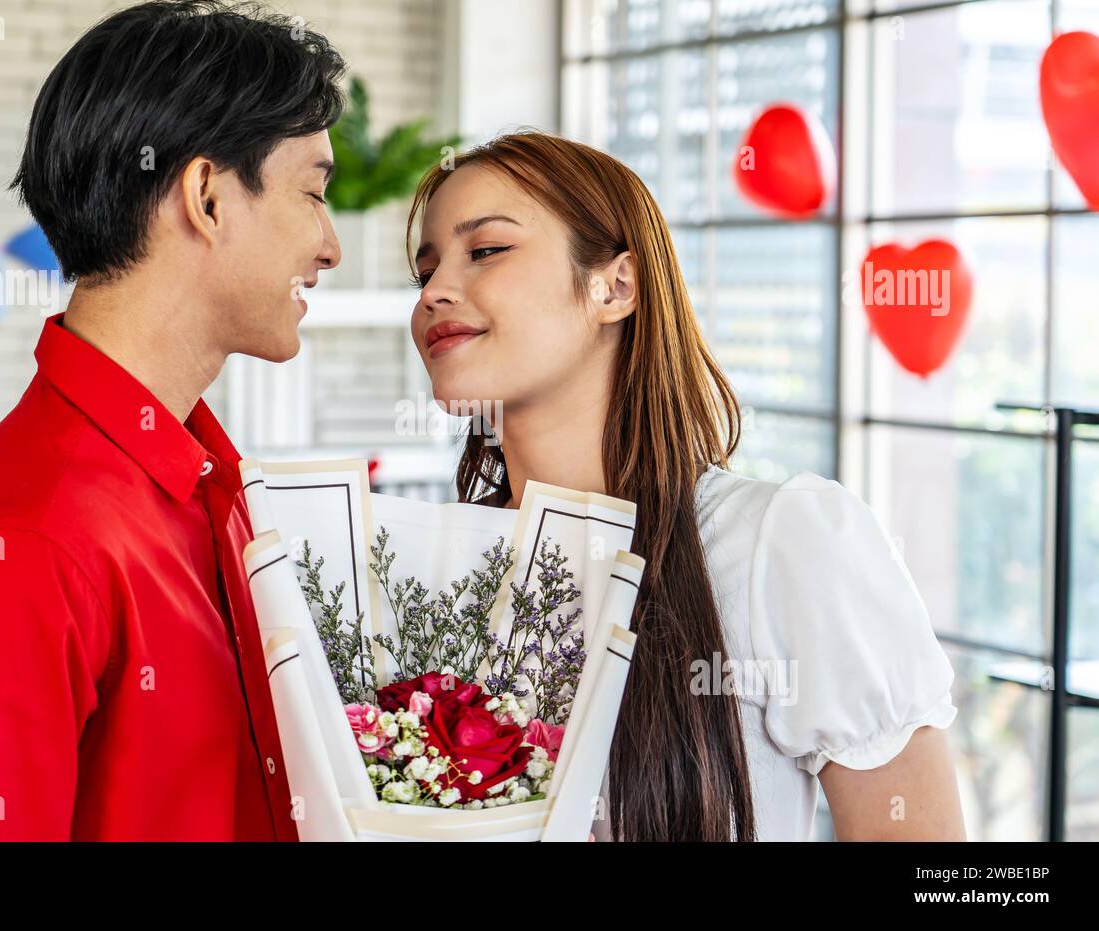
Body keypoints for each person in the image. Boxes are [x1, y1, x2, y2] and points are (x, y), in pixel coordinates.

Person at [0, 0, 345, 840]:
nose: (330, 244)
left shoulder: (203, 486)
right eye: (313, 193)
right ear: (208, 197)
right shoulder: (30, 551)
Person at [404, 130, 966, 841]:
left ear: (617, 285)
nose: (436, 293)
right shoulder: (445, 572)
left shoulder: (779, 542)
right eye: (424, 273)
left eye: (486, 250)